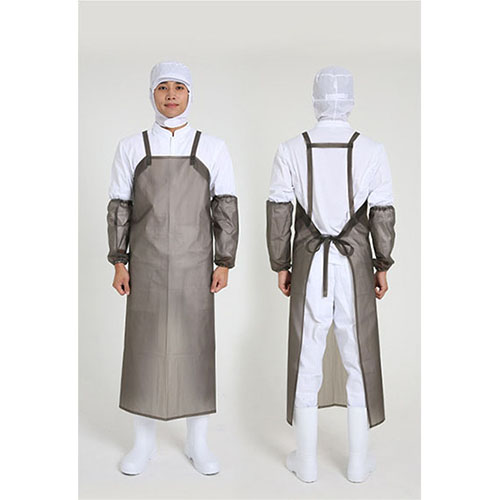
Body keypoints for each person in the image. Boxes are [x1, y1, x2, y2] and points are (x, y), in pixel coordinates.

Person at [106, 61, 239, 476]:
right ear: (152, 93)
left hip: (195, 265)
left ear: (189, 94)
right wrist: (119, 261)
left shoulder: (212, 147)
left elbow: (225, 207)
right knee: (144, 351)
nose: (170, 95)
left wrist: (224, 260)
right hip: (145, 266)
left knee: (195, 350)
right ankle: (143, 443)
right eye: (162, 87)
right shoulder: (131, 147)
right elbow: (120, 208)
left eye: (178, 87)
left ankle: (197, 443)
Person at [266, 66, 395, 483]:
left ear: (316, 100)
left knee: (308, 356)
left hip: (309, 263)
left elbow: (279, 212)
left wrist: (281, 264)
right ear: (350, 100)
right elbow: (382, 215)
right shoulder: (372, 150)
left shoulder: (290, 149)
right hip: (354, 263)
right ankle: (357, 463)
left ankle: (305, 463)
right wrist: (382, 264)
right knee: (357, 356)